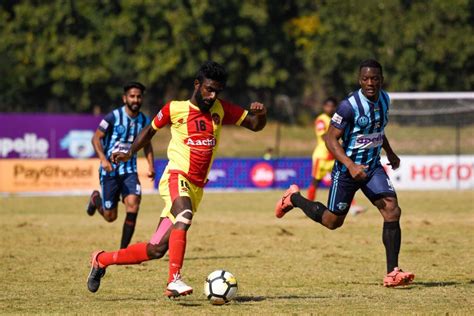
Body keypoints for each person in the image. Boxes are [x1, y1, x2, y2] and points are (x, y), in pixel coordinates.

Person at [87, 61, 267, 297]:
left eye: (217, 91)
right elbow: (150, 130)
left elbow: (254, 125)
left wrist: (261, 114)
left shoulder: (221, 109)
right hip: (176, 176)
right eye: (209, 89)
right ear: (197, 84)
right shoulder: (175, 108)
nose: (212, 96)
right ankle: (175, 279)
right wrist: (130, 152)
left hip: (196, 188)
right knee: (185, 215)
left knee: (157, 249)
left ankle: (101, 260)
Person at [275, 59, 415, 287]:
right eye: (366, 79)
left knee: (392, 209)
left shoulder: (385, 99)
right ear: (360, 80)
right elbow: (330, 139)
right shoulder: (348, 106)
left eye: (375, 78)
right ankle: (293, 198)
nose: (370, 83)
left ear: (381, 79)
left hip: (372, 167)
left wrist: (390, 152)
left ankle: (392, 272)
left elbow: (377, 129)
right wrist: (350, 165)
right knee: (332, 222)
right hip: (346, 170)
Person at [86, 82, 155, 249]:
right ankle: (96, 199)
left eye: (138, 96)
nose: (135, 99)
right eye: (132, 96)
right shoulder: (113, 117)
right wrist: (103, 159)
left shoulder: (145, 120)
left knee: (133, 203)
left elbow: (147, 144)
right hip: (110, 171)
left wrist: (151, 165)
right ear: (125, 98)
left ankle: (123, 251)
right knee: (110, 217)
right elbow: (96, 138)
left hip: (130, 171)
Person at [307, 97, 367, 215]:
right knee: (315, 182)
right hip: (322, 157)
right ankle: (309, 206)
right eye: (327, 106)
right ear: (324, 107)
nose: (330, 108)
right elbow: (325, 137)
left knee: (345, 180)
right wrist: (336, 144)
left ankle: (352, 206)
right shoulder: (321, 120)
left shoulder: (337, 119)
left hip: (334, 156)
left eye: (332, 106)